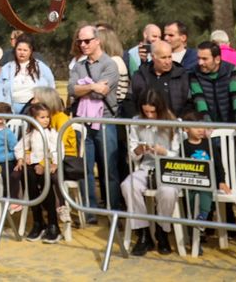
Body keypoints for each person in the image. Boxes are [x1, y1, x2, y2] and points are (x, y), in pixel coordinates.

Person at [69, 24, 123, 218]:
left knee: (109, 168)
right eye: (80, 41)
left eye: (87, 41)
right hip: (83, 122)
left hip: (105, 121)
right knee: (85, 168)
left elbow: (103, 92)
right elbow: (71, 89)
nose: (82, 45)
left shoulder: (110, 64)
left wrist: (83, 87)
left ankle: (112, 211)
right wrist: (92, 86)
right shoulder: (78, 65)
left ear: (97, 41)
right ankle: (89, 212)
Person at [122, 90, 179, 255]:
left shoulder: (173, 123)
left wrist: (164, 152)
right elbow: (132, 156)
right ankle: (143, 233)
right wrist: (138, 150)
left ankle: (162, 231)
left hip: (169, 168)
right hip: (146, 167)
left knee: (168, 191)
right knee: (128, 185)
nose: (149, 115)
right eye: (145, 112)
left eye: (152, 112)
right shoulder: (136, 122)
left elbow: (179, 154)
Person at [19, 95, 63, 243]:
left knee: (46, 182)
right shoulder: (30, 134)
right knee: (27, 177)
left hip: (47, 167)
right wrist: (22, 157)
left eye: (47, 117)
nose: (46, 120)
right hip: (33, 166)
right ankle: (38, 221)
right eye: (42, 117)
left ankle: (53, 224)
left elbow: (58, 150)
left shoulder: (52, 133)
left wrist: (52, 164)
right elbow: (20, 147)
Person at [129, 40, 192, 117]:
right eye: (163, 58)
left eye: (169, 57)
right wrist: (136, 118)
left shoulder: (181, 76)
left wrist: (181, 120)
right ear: (153, 57)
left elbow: (189, 102)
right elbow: (129, 101)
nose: (167, 62)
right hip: (145, 121)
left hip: (174, 121)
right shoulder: (140, 76)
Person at [0, 34, 56, 112]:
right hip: (11, 107)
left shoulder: (41, 66)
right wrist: (1, 107)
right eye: (19, 49)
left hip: (34, 108)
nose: (22, 53)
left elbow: (51, 85)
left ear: (31, 51)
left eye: (25, 50)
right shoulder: (6, 68)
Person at [190, 41, 236, 124]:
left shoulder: (231, 70)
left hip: (231, 122)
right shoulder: (194, 73)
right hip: (207, 123)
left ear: (217, 59)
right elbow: (199, 100)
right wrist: (207, 125)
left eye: (204, 59)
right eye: (198, 58)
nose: (200, 63)